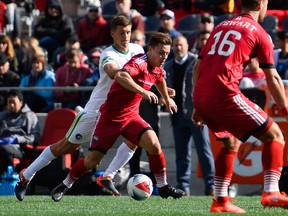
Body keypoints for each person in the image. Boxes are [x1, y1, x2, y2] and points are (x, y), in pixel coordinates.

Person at [14, 15, 145, 201]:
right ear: (112, 34)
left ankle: (108, 175)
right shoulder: (108, 54)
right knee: (64, 147)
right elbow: (114, 73)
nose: (126, 36)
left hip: (122, 111)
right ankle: (26, 176)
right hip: (97, 111)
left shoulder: (137, 50)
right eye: (121, 33)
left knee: (137, 138)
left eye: (128, 32)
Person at [50, 32, 185, 202]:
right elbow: (121, 75)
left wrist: (166, 98)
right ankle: (65, 185)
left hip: (131, 117)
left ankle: (163, 187)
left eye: (167, 53)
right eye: (161, 53)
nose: (164, 57)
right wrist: (143, 91)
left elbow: (159, 78)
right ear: (149, 49)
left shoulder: (157, 65)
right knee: (91, 161)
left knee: (154, 144)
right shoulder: (139, 62)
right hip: (109, 118)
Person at [192, 0, 288, 213]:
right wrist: (284, 107)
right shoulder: (260, 32)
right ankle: (271, 191)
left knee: (230, 143)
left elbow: (197, 65)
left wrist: (197, 104)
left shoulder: (220, 26)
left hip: (201, 95)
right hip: (224, 94)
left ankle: (220, 200)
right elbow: (271, 76)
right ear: (261, 3)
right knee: (274, 135)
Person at [164, 35, 215, 196]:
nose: (178, 48)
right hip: (177, 115)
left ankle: (211, 185)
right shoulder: (169, 66)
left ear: (187, 46)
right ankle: (183, 187)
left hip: (196, 113)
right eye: (176, 45)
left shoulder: (196, 61)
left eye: (181, 45)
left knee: (204, 150)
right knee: (181, 153)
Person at [0, 89, 40, 175]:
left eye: (13, 102)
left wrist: (15, 139)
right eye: (9, 102)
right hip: (2, 144)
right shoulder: (2, 116)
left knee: (4, 149)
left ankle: (10, 178)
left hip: (20, 148)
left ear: (21, 103)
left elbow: (35, 137)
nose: (11, 105)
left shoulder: (29, 116)